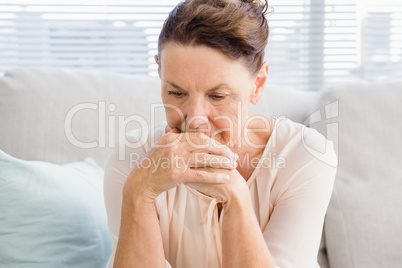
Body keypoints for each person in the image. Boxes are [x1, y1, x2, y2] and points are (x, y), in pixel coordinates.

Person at [104, 0, 338, 267]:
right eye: (176, 93)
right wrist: (138, 193)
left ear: (258, 84)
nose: (195, 120)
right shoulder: (132, 158)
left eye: (217, 96)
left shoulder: (306, 155)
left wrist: (235, 195)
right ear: (159, 73)